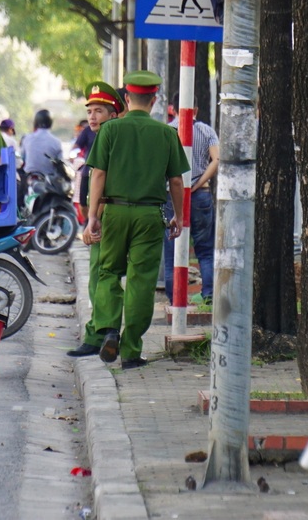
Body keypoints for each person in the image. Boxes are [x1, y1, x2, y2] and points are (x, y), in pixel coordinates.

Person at [79, 71, 188, 369]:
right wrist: (178, 216)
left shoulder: (110, 131)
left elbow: (97, 174)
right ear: (153, 100)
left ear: (127, 98)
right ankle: (131, 351)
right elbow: (176, 181)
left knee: (108, 272)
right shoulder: (167, 133)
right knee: (141, 280)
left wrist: (92, 217)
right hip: (150, 215)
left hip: (114, 212)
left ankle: (109, 327)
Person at [67, 81, 123, 359]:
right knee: (103, 277)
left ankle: (101, 333)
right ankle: (104, 331)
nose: (92, 116)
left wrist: (93, 219)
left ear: (113, 114)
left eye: (99, 111)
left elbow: (104, 181)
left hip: (105, 217)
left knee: (101, 277)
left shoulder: (108, 138)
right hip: (106, 215)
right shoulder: (100, 137)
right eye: (90, 111)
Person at [162, 94, 219, 305]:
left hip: (170, 195)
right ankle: (209, 295)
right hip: (201, 194)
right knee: (205, 250)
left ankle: (174, 298)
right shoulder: (206, 131)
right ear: (195, 108)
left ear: (173, 109)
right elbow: (217, 159)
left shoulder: (167, 131)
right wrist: (198, 182)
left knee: (171, 251)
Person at [20, 109, 62, 179]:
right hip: (49, 179)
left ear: (36, 122)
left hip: (29, 177)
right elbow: (60, 162)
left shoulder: (27, 138)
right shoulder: (56, 141)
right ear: (50, 122)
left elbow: (23, 157)